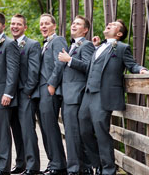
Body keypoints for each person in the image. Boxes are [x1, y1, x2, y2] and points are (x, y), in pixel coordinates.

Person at [77, 20, 149, 175]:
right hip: (88, 94)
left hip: (104, 95)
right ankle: (98, 164)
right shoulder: (98, 47)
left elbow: (132, 65)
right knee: (83, 131)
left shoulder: (122, 48)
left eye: (114, 24)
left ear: (119, 34)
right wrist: (96, 47)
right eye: (109, 22)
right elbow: (91, 67)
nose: (109, 23)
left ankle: (108, 169)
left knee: (101, 130)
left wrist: (141, 69)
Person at [57, 15, 97, 175]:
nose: (73, 25)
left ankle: (75, 169)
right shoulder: (73, 45)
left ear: (85, 29)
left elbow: (89, 67)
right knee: (73, 133)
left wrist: (70, 60)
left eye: (78, 24)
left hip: (76, 95)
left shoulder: (86, 45)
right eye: (73, 23)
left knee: (73, 134)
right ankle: (83, 167)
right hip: (67, 94)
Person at [0, 12, 20, 175]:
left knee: (2, 133)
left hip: (2, 97)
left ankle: (4, 167)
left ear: (3, 26)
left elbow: (13, 71)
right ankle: (0, 162)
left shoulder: (9, 44)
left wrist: (8, 94)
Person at [34, 13, 67, 175]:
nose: (44, 27)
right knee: (46, 128)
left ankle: (59, 165)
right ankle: (53, 162)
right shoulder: (45, 44)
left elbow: (60, 62)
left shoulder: (58, 40)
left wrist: (52, 84)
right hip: (41, 91)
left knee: (51, 127)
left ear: (54, 25)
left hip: (49, 90)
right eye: (41, 24)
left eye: (47, 23)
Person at [9, 14, 42, 175]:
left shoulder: (32, 45)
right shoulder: (9, 44)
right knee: (16, 129)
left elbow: (34, 71)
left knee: (28, 130)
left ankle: (32, 166)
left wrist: (28, 91)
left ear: (25, 27)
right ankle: (20, 163)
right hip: (11, 95)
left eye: (18, 24)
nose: (14, 26)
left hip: (25, 94)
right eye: (12, 24)